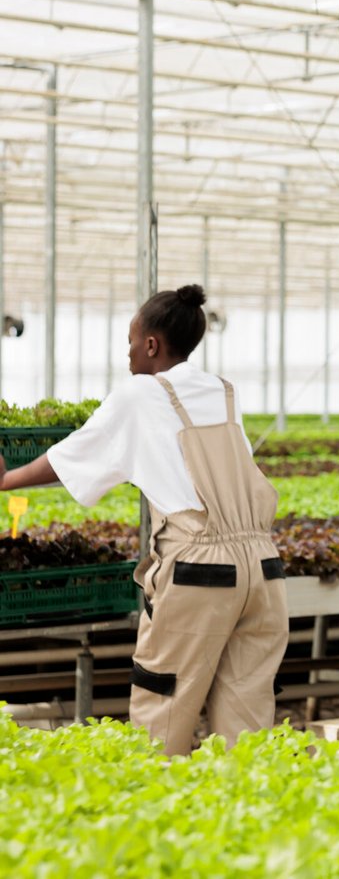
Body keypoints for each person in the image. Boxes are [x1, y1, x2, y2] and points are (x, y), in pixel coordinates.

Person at [0, 285, 286, 756]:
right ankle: (243, 820)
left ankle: (156, 818)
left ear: (151, 344)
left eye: (131, 342)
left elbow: (70, 457)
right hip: (264, 569)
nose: (128, 354)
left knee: (162, 710)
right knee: (247, 721)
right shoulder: (223, 392)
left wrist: (8, 480)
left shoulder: (139, 394)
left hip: (200, 573)